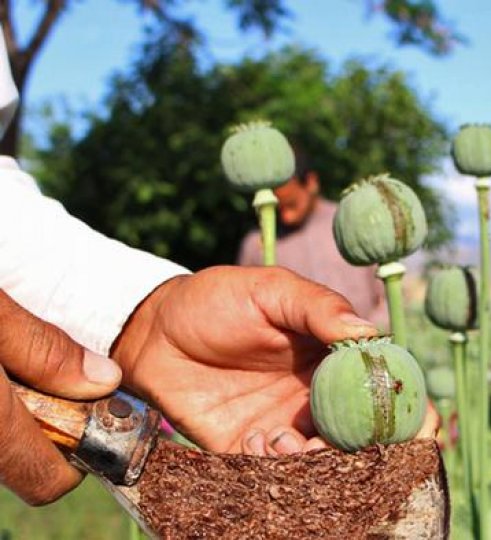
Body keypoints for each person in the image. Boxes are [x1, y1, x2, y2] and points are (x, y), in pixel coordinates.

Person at [0, 37, 434, 505]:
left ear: (312, 184)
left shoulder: (342, 222)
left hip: (346, 378)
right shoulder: (254, 242)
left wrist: (142, 317)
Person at [237, 149, 389, 328]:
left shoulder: (353, 221)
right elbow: (245, 310)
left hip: (367, 344)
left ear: (311, 182)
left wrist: (371, 335)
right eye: (279, 208)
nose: (286, 217)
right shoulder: (255, 244)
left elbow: (388, 296)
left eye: (292, 204)